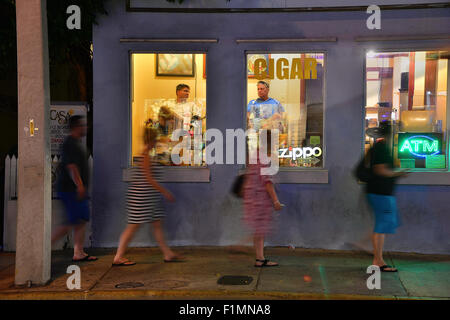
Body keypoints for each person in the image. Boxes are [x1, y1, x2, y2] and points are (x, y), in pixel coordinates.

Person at [112, 127, 183, 266]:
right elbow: (149, 178)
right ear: (150, 141)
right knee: (133, 226)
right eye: (154, 140)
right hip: (142, 198)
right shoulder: (145, 156)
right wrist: (165, 192)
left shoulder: (146, 154)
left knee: (156, 225)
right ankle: (118, 256)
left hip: (148, 197)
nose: (156, 142)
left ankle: (167, 253)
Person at [51, 115, 97, 262]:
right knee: (72, 221)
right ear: (76, 127)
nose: (86, 128)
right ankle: (43, 248)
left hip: (75, 189)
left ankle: (79, 252)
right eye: (83, 125)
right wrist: (80, 186)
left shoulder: (76, 143)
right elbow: (72, 167)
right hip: (71, 189)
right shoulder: (70, 143)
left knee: (81, 220)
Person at [366, 121, 408, 272]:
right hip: (380, 193)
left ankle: (376, 256)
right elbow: (380, 170)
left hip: (380, 193)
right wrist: (399, 173)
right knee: (382, 225)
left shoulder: (381, 147)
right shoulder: (382, 148)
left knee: (383, 225)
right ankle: (378, 261)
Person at [242, 130, 282, 267]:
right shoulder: (264, 157)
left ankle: (259, 258)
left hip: (253, 198)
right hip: (260, 200)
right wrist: (276, 201)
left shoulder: (256, 154)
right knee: (260, 230)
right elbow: (267, 182)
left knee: (258, 230)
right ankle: (240, 246)